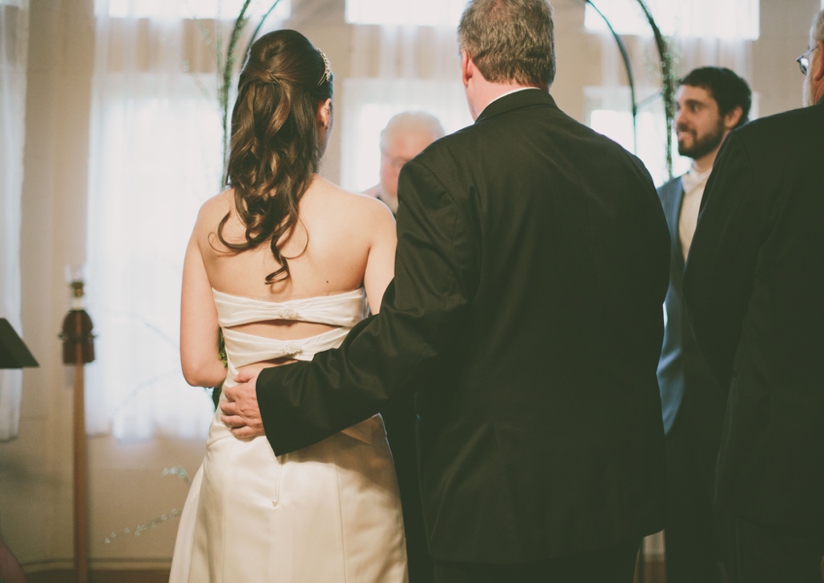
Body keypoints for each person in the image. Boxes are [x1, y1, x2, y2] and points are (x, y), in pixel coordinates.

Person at [223, 0, 670, 581]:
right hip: (611, 496)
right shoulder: (627, 171)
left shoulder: (445, 172)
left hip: (496, 501)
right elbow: (647, 319)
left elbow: (409, 336)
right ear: (547, 61)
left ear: (467, 62)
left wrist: (286, 395)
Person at [168, 30, 408, 582]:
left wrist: (254, 381)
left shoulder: (211, 220)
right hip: (347, 462)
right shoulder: (369, 220)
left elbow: (197, 365)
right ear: (323, 112)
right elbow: (393, 351)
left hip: (241, 453)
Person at [683, 1, 824, 581]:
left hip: (781, 465)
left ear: (819, 61)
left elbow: (707, 296)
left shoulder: (760, 150)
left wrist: (756, 383)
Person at [656, 67, 751, 583]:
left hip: (735, 390)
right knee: (683, 539)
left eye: (695, 107)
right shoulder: (665, 194)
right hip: (674, 394)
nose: (680, 119)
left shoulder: (752, 188)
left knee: (733, 536)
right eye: (678, 107)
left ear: (732, 116)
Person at [364, 110, 444, 583]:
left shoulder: (450, 219)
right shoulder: (355, 213)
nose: (405, 174)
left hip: (434, 399)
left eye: (418, 162)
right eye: (396, 161)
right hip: (368, 393)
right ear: (380, 160)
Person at [365, 111, 445, 215]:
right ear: (383, 159)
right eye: (402, 164)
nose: (412, 176)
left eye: (423, 166)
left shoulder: (453, 216)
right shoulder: (358, 213)